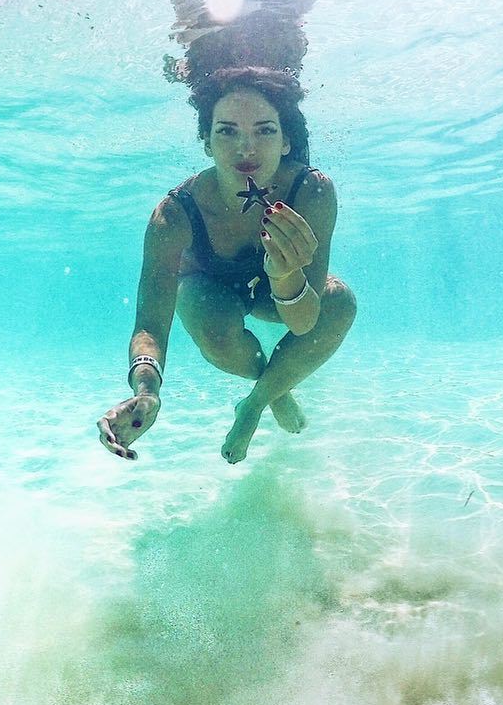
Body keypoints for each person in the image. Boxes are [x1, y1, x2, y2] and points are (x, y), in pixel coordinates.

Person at [97, 67, 356, 464]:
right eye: (227, 131)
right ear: (207, 142)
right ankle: (275, 385)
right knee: (207, 316)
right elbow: (150, 324)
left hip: (279, 294)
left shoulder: (312, 191)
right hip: (212, 293)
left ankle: (254, 403)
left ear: (286, 141)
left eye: (264, 131)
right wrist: (147, 390)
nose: (246, 148)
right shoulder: (174, 215)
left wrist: (285, 273)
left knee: (339, 303)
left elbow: (304, 323)